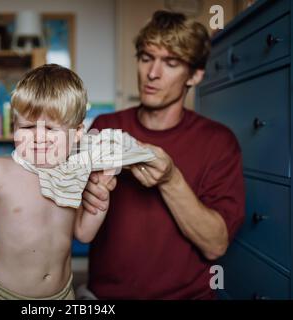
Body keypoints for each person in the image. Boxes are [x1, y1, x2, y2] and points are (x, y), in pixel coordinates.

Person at [81, 11, 245, 299]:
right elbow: (72, 217)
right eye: (146, 58)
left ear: (195, 75)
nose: (152, 73)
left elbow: (216, 245)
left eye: (171, 63)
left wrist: (170, 180)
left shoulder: (219, 142)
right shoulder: (106, 127)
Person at [0, 64, 137, 300]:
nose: (38, 137)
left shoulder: (74, 174)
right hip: (5, 295)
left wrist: (101, 202)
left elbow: (83, 234)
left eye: (51, 128)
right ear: (14, 127)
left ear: (76, 133)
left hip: (63, 294)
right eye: (27, 126)